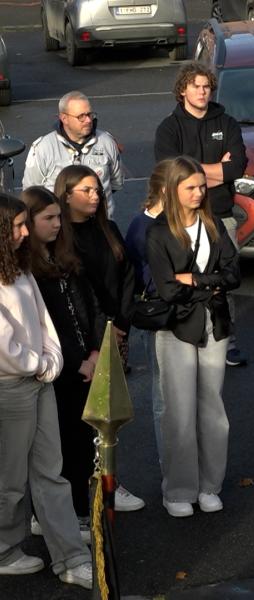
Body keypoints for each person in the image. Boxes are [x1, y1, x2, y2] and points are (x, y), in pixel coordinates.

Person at [0, 193, 93, 589]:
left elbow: (42, 320)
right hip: (11, 390)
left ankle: (71, 557)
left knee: (50, 473)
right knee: (11, 480)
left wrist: (50, 359)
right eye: (17, 226)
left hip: (38, 383)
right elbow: (3, 342)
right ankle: (4, 550)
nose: (25, 233)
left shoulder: (20, 268)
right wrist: (40, 364)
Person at [146, 156, 240, 517]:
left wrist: (198, 281)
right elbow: (168, 290)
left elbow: (233, 275)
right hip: (177, 330)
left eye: (202, 186)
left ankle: (209, 486)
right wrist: (211, 286)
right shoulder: (158, 232)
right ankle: (179, 489)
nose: (200, 193)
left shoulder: (213, 223)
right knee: (179, 412)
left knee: (213, 408)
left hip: (214, 325)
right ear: (171, 190)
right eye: (191, 187)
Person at [53, 166, 145, 511]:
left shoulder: (108, 228)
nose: (95, 196)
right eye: (87, 190)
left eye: (97, 190)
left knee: (109, 414)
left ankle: (109, 482)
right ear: (66, 194)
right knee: (78, 419)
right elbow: (78, 292)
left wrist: (121, 322)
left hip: (115, 331)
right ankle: (77, 491)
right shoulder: (61, 237)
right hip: (85, 338)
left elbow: (127, 276)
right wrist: (101, 328)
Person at [23, 186, 106, 534]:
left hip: (84, 362)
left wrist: (96, 350)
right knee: (61, 446)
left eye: (59, 217)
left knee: (84, 441)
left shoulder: (66, 258)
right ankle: (58, 516)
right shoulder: (28, 271)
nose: (58, 224)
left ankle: (78, 511)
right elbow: (46, 328)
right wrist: (78, 361)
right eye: (49, 218)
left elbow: (90, 306)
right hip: (58, 371)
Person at [154, 61, 248, 367]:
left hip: (220, 214)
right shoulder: (169, 127)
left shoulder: (227, 122)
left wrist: (192, 168)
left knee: (223, 280)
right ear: (183, 89)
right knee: (185, 279)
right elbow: (170, 173)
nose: (202, 91)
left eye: (206, 86)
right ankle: (186, 333)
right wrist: (215, 170)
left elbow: (237, 167)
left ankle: (228, 338)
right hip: (180, 219)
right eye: (196, 86)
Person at [125, 160, 173, 462]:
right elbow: (134, 274)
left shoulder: (182, 220)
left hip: (184, 315)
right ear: (167, 190)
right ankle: (170, 460)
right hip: (159, 318)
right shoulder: (142, 226)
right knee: (166, 398)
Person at [22, 91, 124, 215]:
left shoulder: (107, 142)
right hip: (61, 228)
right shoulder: (43, 148)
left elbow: (115, 183)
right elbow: (31, 193)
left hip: (99, 227)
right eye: (81, 116)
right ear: (64, 118)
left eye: (90, 114)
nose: (88, 120)